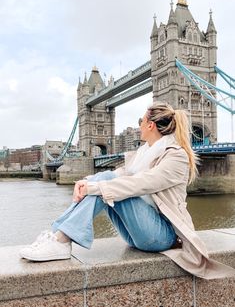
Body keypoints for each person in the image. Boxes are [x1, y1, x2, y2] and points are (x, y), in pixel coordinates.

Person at [20, 101, 235, 279]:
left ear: (150, 125)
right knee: (104, 180)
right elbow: (119, 174)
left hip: (163, 235)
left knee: (105, 183)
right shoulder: (143, 153)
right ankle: (59, 236)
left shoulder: (175, 156)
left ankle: (61, 240)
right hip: (138, 235)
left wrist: (94, 186)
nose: (139, 124)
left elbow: (141, 183)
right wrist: (84, 181)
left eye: (141, 121)